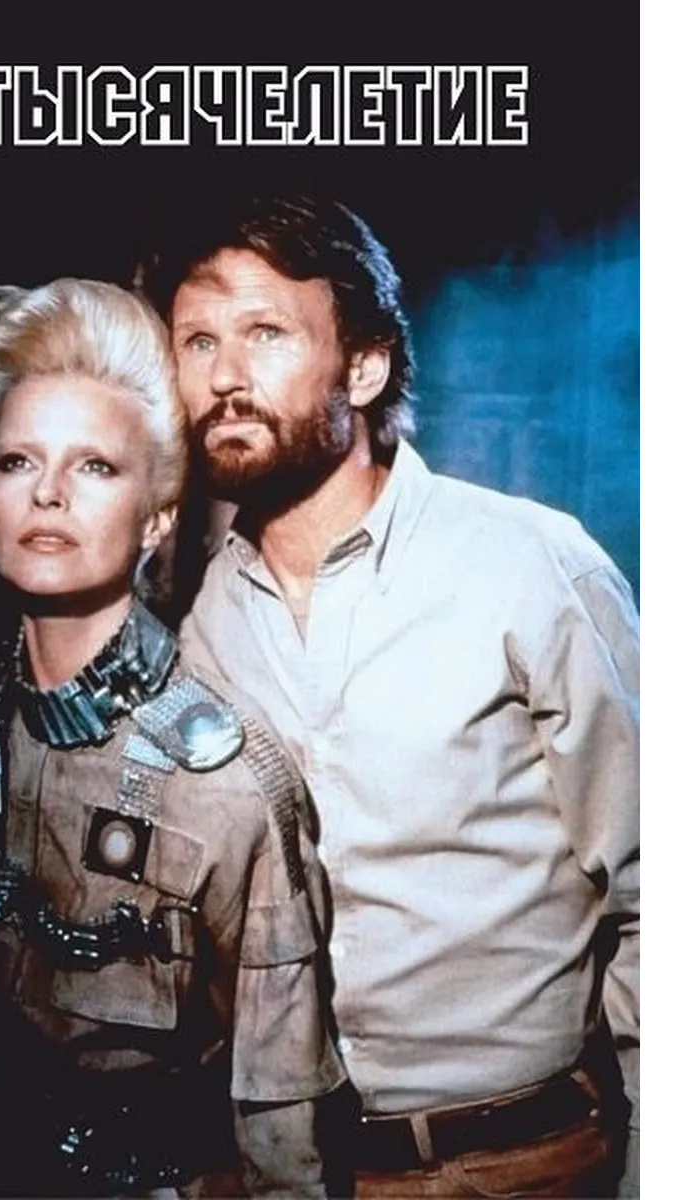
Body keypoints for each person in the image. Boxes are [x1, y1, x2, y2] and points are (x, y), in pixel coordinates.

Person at [137, 195, 644, 1198]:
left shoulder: (530, 566)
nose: (225, 377)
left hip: (532, 1163)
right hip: (305, 1174)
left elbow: (658, 888)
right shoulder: (194, 629)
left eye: (265, 333)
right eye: (197, 342)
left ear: (364, 368)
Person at [0, 277, 345, 1198]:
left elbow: (284, 1131)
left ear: (158, 518)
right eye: (17, 462)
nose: (48, 493)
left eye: (95, 467)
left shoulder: (225, 783)